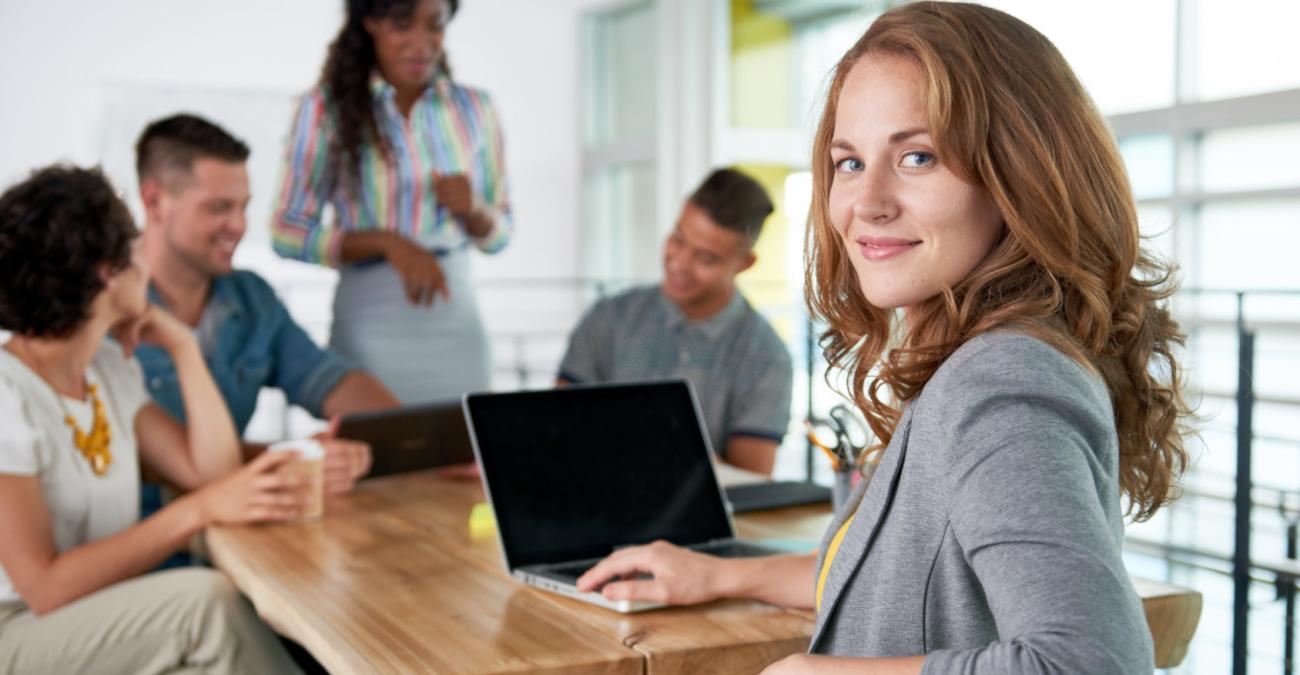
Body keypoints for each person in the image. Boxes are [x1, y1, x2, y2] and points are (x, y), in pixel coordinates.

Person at [576, 3, 1192, 673]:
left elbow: (1090, 662)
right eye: (848, 162)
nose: (866, 201)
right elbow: (885, 577)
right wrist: (718, 574)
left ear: (1020, 175)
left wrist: (812, 673)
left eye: (917, 156)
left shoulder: (1002, 380)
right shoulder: (976, 360)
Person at [0, 165, 305, 673]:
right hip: (18, 630)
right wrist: (198, 510)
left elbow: (210, 472)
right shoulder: (6, 392)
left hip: (101, 620)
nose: (146, 259)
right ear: (106, 271)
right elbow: (45, 588)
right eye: (134, 247)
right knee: (207, 604)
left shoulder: (108, 374)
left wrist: (185, 349)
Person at [135, 114, 399, 498]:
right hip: (146, 542)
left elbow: (328, 378)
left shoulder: (252, 299)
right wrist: (296, 460)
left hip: (237, 530)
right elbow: (144, 457)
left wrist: (419, 436)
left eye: (243, 207)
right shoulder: (104, 308)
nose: (239, 225)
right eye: (218, 208)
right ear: (154, 200)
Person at [272, 0, 511, 404]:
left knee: (465, 458)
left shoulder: (475, 108)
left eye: (435, 26)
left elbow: (500, 236)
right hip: (370, 323)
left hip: (456, 323)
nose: (421, 44)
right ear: (370, 23)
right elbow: (287, 232)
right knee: (375, 453)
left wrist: (476, 210)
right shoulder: (323, 108)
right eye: (402, 25)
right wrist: (387, 243)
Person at [557, 168, 793, 476]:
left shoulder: (767, 356)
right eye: (678, 239)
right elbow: (558, 430)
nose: (679, 263)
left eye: (706, 258)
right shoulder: (609, 318)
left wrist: (661, 447)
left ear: (745, 264)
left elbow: (752, 483)